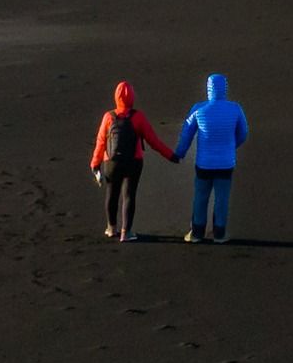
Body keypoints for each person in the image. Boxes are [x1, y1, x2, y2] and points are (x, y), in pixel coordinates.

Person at [90, 80, 177, 244]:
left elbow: (101, 142)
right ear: (132, 97)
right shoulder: (138, 117)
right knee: (129, 195)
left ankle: (111, 228)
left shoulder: (108, 117)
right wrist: (171, 156)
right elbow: (154, 141)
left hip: (111, 163)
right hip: (133, 161)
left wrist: (95, 165)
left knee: (112, 193)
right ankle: (126, 232)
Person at [175, 72, 249, 242]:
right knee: (222, 199)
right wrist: (232, 146)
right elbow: (243, 133)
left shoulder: (199, 109)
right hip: (226, 163)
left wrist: (180, 153)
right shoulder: (235, 109)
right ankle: (219, 233)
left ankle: (197, 233)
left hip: (204, 163)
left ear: (208, 89)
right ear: (225, 88)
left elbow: (186, 134)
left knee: (201, 197)